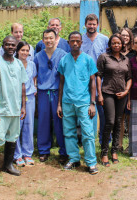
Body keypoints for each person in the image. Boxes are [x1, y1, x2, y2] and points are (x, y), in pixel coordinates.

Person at [0, 36, 29, 182]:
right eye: (7, 44)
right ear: (3, 46)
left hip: (15, 109)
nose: (10, 47)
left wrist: (23, 106)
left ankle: (8, 164)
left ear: (16, 47)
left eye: (13, 45)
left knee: (13, 137)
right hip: (1, 108)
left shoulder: (18, 64)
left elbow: (23, 85)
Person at [57, 31, 98, 175]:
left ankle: (91, 162)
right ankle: (74, 158)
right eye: (72, 41)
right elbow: (61, 83)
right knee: (68, 132)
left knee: (87, 133)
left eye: (77, 41)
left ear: (81, 43)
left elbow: (93, 82)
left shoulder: (88, 60)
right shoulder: (63, 60)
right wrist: (59, 104)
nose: (75, 43)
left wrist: (92, 103)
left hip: (84, 102)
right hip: (67, 101)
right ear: (68, 42)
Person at [97, 34, 132, 167]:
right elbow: (99, 76)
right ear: (110, 44)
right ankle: (104, 152)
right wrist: (99, 94)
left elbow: (129, 77)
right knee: (109, 122)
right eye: (113, 43)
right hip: (107, 93)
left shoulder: (126, 59)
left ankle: (114, 151)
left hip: (122, 94)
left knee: (118, 122)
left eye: (118, 43)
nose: (116, 45)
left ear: (122, 44)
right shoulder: (104, 57)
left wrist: (126, 91)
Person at [34, 29, 68, 164]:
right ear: (43, 40)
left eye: (51, 38)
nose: (48, 41)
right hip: (42, 93)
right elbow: (34, 75)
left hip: (57, 92)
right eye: (46, 38)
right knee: (43, 122)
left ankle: (63, 151)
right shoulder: (37, 56)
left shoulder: (63, 55)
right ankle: (43, 150)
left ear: (56, 39)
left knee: (60, 122)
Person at [80, 13, 109, 145]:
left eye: (94, 24)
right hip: (84, 82)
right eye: (89, 24)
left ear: (97, 25)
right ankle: (83, 139)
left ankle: (105, 140)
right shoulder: (80, 40)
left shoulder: (104, 39)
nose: (91, 26)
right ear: (85, 25)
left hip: (101, 82)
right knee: (84, 112)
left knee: (103, 113)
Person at [14, 41, 37, 167]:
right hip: (17, 98)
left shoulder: (32, 64)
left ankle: (27, 153)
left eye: (27, 50)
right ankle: (17, 155)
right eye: (22, 50)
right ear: (18, 51)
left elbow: (34, 79)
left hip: (30, 98)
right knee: (17, 125)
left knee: (29, 125)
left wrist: (35, 89)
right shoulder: (13, 63)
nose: (25, 53)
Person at [118, 28, 136, 152]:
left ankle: (131, 145)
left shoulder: (134, 53)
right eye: (122, 35)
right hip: (117, 88)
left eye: (127, 35)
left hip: (131, 89)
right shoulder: (115, 51)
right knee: (119, 119)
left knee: (130, 119)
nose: (124, 37)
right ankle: (118, 145)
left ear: (130, 37)